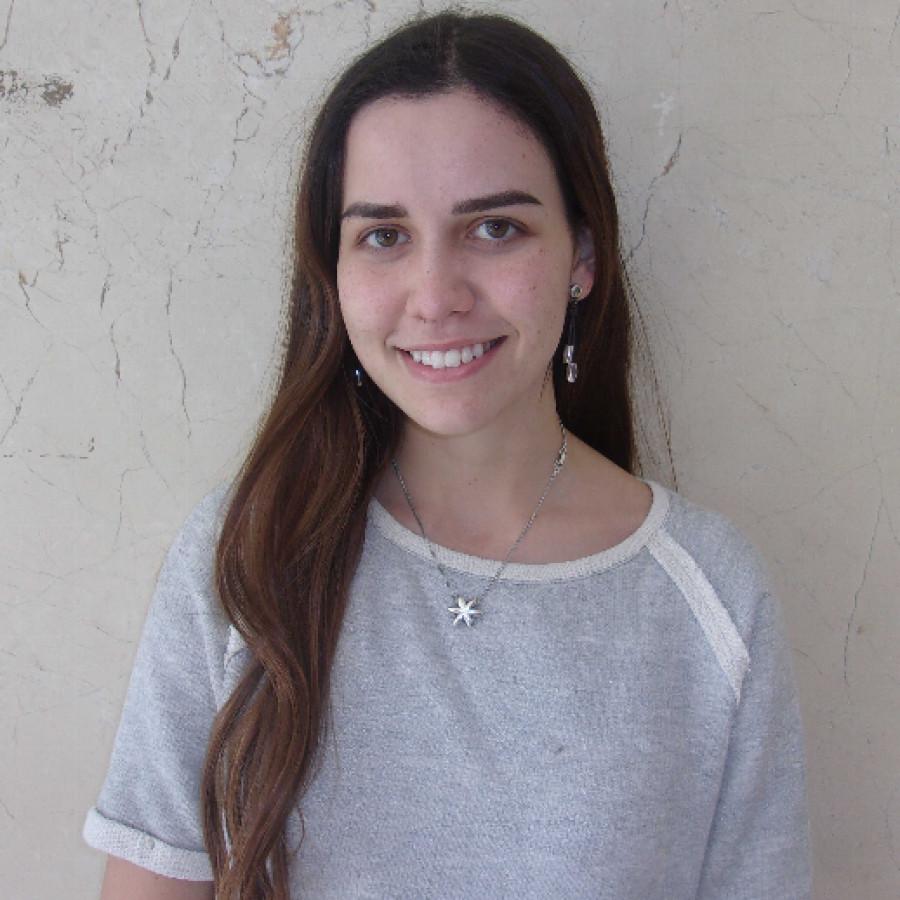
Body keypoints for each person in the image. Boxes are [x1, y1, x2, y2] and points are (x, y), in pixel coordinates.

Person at [84, 11, 811, 899]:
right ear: (334, 272)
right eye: (384, 236)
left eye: (494, 228)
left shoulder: (713, 596)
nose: (435, 298)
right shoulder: (243, 558)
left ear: (583, 254)